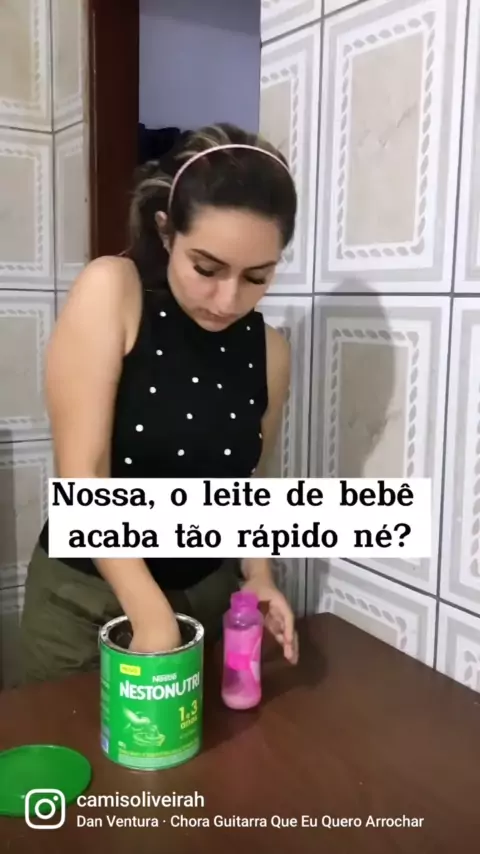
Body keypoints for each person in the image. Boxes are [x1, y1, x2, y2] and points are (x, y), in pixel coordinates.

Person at [19, 122, 300, 684]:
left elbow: (249, 484)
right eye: (207, 268)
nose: (228, 300)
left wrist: (259, 575)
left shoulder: (269, 351)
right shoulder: (113, 290)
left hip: (208, 601)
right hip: (87, 603)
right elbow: (83, 474)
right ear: (167, 232)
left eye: (257, 277)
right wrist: (151, 615)